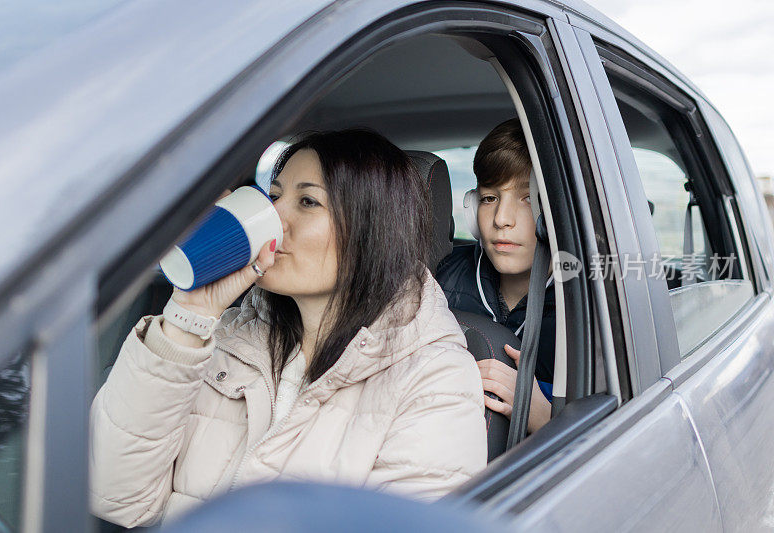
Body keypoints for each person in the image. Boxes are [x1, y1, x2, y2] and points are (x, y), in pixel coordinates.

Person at [89, 129, 487, 528]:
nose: (274, 219)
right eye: (274, 195)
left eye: (308, 201)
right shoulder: (227, 335)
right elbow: (115, 495)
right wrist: (191, 311)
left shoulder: (435, 379)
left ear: (371, 231)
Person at [436, 119, 554, 434]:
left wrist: (544, 417)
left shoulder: (595, 303)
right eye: (490, 198)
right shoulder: (437, 280)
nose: (501, 219)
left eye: (528, 198)